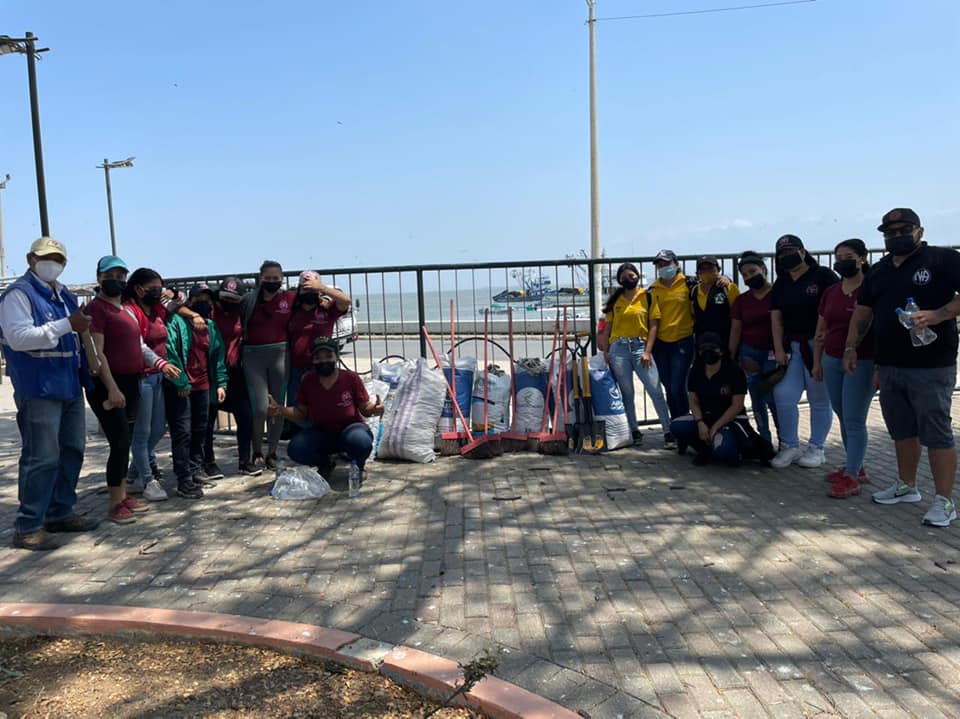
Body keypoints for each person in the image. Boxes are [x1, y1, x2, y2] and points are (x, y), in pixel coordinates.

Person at [845, 208, 960, 527]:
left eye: (903, 230)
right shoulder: (879, 270)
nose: (896, 236)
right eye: (889, 233)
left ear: (919, 231)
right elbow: (863, 312)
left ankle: (944, 501)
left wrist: (937, 315)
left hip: (932, 364)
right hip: (889, 363)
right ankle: (907, 486)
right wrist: (851, 347)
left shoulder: (942, 259)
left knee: (936, 432)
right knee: (902, 429)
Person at [0, 238, 100, 550]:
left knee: (72, 450)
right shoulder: (19, 294)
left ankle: (60, 512)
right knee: (41, 456)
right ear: (30, 259)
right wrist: (66, 325)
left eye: (57, 259)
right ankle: (29, 525)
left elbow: (78, 332)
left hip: (68, 384)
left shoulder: (64, 294)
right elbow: (18, 338)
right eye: (45, 257)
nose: (51, 263)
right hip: (38, 387)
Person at [85, 255, 179, 524]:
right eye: (109, 275)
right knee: (119, 443)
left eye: (120, 275)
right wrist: (112, 388)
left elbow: (140, 346)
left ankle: (123, 494)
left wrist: (160, 364)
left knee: (125, 441)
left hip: (130, 381)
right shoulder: (96, 309)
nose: (115, 280)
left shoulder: (126, 310)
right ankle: (115, 503)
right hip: (109, 385)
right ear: (99, 278)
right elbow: (97, 354)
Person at [812, 239, 875, 498]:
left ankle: (852, 476)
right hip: (831, 358)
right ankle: (855, 465)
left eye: (848, 257)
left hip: (862, 361)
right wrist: (817, 361)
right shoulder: (831, 292)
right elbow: (821, 328)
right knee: (842, 414)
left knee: (854, 419)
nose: (842, 262)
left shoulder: (871, 289)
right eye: (838, 257)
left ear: (862, 258)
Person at [769, 235, 837, 469]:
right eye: (782, 254)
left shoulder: (824, 276)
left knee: (819, 397)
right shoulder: (781, 283)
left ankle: (817, 447)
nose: (787, 257)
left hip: (819, 345)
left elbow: (834, 309)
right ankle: (790, 445)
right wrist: (779, 349)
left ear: (803, 251)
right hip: (793, 348)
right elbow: (776, 319)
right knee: (783, 394)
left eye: (791, 251)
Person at [268, 337, 383, 477]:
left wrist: (375, 409)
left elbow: (365, 408)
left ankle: (359, 466)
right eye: (318, 358)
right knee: (296, 448)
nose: (324, 361)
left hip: (351, 429)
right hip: (322, 432)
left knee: (360, 442)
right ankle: (325, 463)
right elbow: (301, 413)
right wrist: (280, 410)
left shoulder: (351, 378)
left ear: (336, 357)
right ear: (313, 360)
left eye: (328, 356)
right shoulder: (308, 381)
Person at [597, 262, 673, 447]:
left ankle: (668, 431)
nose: (628, 279)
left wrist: (647, 351)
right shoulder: (615, 300)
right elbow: (608, 329)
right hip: (619, 350)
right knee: (627, 394)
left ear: (638, 276)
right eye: (624, 277)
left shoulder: (647, 297)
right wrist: (606, 351)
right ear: (619, 280)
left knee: (655, 391)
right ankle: (634, 431)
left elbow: (653, 326)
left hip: (640, 348)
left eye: (631, 276)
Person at [670, 332, 774, 466]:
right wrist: (700, 422)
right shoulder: (695, 370)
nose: (708, 352)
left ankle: (736, 450)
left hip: (730, 421)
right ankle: (705, 448)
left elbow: (737, 406)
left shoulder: (734, 371)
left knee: (725, 450)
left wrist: (715, 427)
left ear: (721, 350)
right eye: (703, 348)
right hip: (706, 418)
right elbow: (693, 400)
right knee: (676, 426)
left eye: (713, 348)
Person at [164, 284, 228, 497]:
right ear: (189, 301)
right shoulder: (176, 322)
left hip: (203, 386)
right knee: (182, 432)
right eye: (198, 298)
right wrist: (181, 383)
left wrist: (221, 383)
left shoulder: (211, 326)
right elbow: (170, 352)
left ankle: (195, 469)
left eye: (207, 299)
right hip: (182, 387)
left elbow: (218, 356)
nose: (203, 303)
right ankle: (183, 479)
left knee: (201, 430)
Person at [203, 277, 261, 478]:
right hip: (211, 371)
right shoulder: (209, 311)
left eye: (234, 299)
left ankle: (245, 461)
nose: (229, 302)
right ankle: (208, 463)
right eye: (225, 297)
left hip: (235, 370)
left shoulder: (242, 312)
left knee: (245, 416)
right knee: (208, 420)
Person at [241, 261, 295, 469]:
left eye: (276, 278)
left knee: (277, 407)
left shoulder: (289, 298)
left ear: (282, 279)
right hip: (253, 356)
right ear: (260, 278)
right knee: (260, 409)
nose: (272, 281)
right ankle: (257, 450)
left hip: (280, 355)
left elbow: (312, 304)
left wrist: (324, 298)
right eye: (268, 278)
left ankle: (272, 452)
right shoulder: (249, 300)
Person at [286, 270, 352, 423]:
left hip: (321, 368)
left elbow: (346, 301)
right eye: (306, 288)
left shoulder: (327, 309)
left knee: (321, 408)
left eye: (313, 289)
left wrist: (322, 288)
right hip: (296, 370)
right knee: (297, 410)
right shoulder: (293, 310)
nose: (309, 292)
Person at [729, 251, 780, 447]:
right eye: (745, 275)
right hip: (749, 353)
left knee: (774, 398)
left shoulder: (778, 294)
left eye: (753, 271)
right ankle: (764, 440)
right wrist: (732, 356)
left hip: (774, 354)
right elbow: (736, 329)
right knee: (756, 398)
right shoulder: (742, 300)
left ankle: (784, 440)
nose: (749, 277)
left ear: (764, 269)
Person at [647, 250, 695, 444]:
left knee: (677, 386)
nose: (663, 267)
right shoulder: (653, 289)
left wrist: (726, 279)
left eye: (666, 263)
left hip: (682, 341)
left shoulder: (689, 284)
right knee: (669, 386)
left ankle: (683, 426)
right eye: (659, 265)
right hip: (661, 344)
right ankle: (677, 427)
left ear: (676, 263)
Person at [691, 255, 740, 346]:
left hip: (724, 341)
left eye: (710, 267)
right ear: (697, 272)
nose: (706, 271)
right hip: (701, 343)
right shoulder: (693, 290)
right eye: (702, 269)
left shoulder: (729, 287)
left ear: (718, 269)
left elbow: (738, 318)